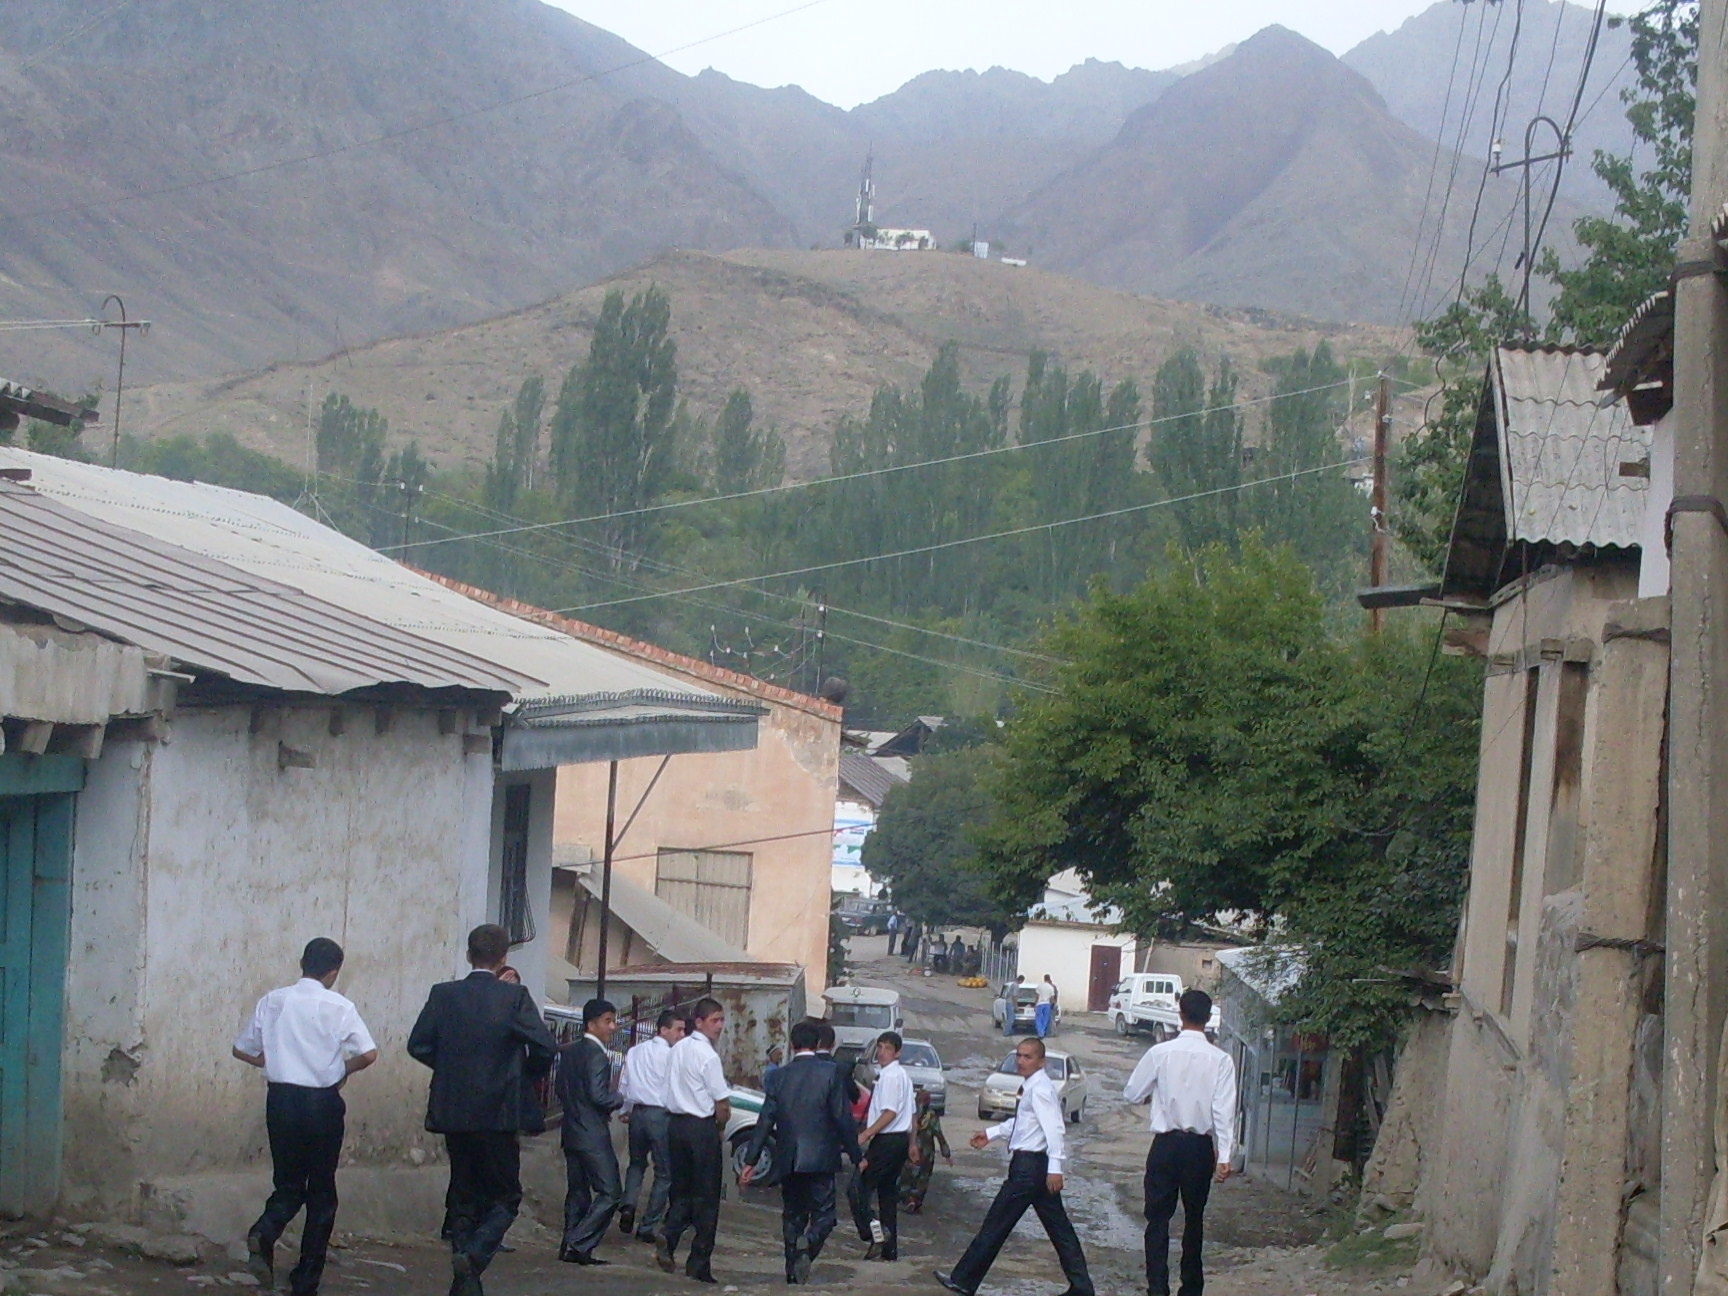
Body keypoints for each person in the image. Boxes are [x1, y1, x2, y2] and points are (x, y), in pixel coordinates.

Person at [407, 924, 557, 1296]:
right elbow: (545, 1047)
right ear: (504, 958)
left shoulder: (443, 995)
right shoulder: (514, 997)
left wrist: (450, 1071)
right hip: (499, 1112)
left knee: (463, 1193)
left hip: (454, 1110)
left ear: (469, 955)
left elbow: (418, 1044)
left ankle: (465, 1282)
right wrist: (521, 1075)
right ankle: (474, 1255)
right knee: (505, 1196)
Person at [233, 937, 378, 1296]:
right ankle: (306, 1278)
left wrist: (269, 1061)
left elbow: (241, 1049)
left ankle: (264, 1231)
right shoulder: (339, 1006)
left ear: (301, 962)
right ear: (333, 972)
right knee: (322, 1191)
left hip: (280, 1100)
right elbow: (369, 1053)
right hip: (322, 1103)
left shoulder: (274, 1000)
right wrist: (343, 1070)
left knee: (288, 1183)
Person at [934, 1037, 1094, 1296]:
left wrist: (1056, 1167)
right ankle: (1082, 1286)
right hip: (1032, 1166)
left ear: (1041, 1061)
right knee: (1059, 1228)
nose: (1021, 1061)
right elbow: (1023, 1124)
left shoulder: (1040, 1088)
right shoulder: (1032, 1085)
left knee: (996, 1223)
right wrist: (991, 1132)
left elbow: (1054, 1128)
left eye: (1027, 1057)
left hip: (1029, 1168)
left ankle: (963, 1280)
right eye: (1019, 1055)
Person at [1122, 988, 1237, 1296]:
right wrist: (1224, 1155)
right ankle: (1191, 1287)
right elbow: (1223, 1111)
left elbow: (1132, 1093)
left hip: (1165, 1144)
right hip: (1199, 1148)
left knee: (1157, 1218)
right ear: (1209, 1017)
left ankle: (1157, 1287)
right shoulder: (1221, 1060)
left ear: (1180, 1013)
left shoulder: (1160, 1053)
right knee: (1194, 1218)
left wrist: (1156, 1092)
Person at [740, 1019, 863, 1284]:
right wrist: (856, 1155)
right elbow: (843, 1118)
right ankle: (809, 1243)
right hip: (821, 1158)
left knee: (793, 1214)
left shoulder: (779, 1076)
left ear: (792, 1044)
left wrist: (751, 1160)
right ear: (817, 1044)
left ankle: (791, 1270)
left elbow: (765, 1119)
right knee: (825, 1216)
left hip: (789, 1157)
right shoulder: (831, 1073)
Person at [658, 997, 732, 1284]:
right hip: (701, 1127)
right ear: (699, 1022)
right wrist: (720, 1125)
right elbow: (721, 1102)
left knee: (682, 1189)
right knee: (707, 1196)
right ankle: (699, 1261)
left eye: (721, 1020)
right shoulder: (708, 1056)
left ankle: (670, 1231)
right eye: (715, 1020)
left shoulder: (677, 1049)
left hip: (676, 1126)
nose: (720, 1026)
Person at [556, 998, 624, 1266]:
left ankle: (570, 1247)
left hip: (571, 1130)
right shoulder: (596, 1055)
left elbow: (561, 1089)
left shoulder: (571, 1052)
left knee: (578, 1193)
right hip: (592, 1133)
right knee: (610, 1192)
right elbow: (599, 1096)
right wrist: (619, 1098)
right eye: (607, 1021)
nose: (613, 1027)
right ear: (591, 1024)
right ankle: (578, 1242)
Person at [619, 1009, 683, 1244]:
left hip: (638, 1112)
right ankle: (647, 1225)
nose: (681, 1034)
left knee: (636, 1164)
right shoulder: (672, 1056)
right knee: (664, 1173)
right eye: (678, 1029)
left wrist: (624, 1110)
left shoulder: (635, 1051)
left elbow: (624, 1082)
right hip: (660, 1114)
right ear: (663, 1029)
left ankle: (628, 1204)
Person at [852, 1031, 914, 1261]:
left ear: (897, 1052)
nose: (882, 1052)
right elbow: (912, 1112)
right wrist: (912, 1142)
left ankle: (875, 1233)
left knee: (859, 1188)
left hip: (887, 1140)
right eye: (880, 1047)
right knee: (887, 1193)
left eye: (888, 1048)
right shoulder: (902, 1076)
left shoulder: (890, 1077)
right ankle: (890, 1249)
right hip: (898, 1140)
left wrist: (867, 1133)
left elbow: (890, 1112)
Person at [899, 1090, 950, 1214]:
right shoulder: (932, 1116)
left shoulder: (910, 1115)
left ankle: (907, 1199)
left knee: (907, 1176)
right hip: (926, 1153)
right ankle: (915, 1201)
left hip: (910, 1150)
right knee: (922, 1179)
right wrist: (946, 1154)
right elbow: (939, 1135)